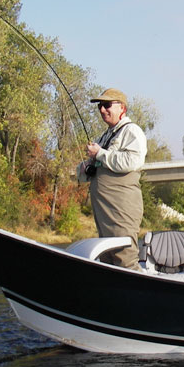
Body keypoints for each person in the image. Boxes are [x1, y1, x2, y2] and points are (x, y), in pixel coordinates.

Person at [77, 88, 147, 269]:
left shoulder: (132, 131)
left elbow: (132, 161)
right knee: (107, 258)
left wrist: (99, 153)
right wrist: (86, 166)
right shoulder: (106, 135)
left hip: (121, 208)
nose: (102, 110)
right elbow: (90, 170)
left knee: (125, 257)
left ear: (122, 108)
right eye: (100, 106)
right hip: (103, 211)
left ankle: (141, 294)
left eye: (107, 105)